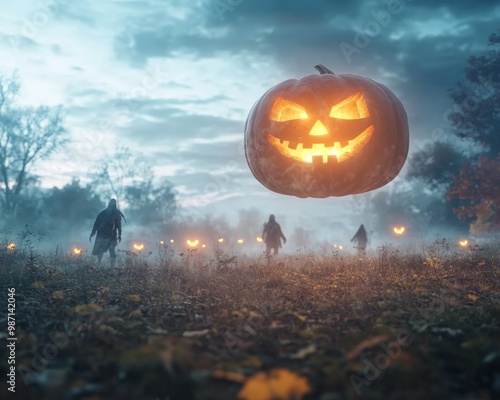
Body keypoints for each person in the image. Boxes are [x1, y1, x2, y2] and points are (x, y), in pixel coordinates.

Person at [89, 199, 125, 267]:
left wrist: (120, 235)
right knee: (100, 251)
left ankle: (112, 267)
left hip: (112, 236)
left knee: (112, 251)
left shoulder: (116, 214)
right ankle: (99, 265)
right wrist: (92, 233)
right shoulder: (103, 213)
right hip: (102, 235)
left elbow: (119, 226)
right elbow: (96, 224)